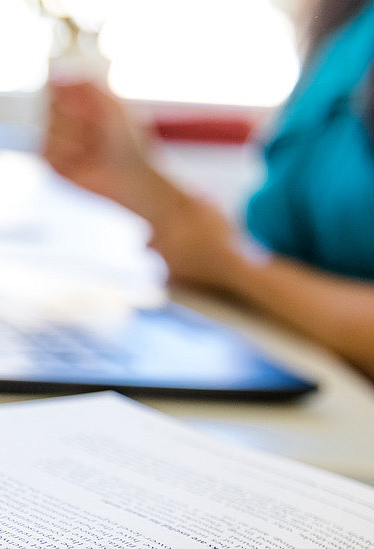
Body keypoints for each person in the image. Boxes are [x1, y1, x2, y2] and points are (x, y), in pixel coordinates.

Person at [42, 1, 374, 375]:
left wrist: (230, 265)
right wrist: (153, 194)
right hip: (291, 364)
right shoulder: (348, 24)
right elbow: (280, 255)